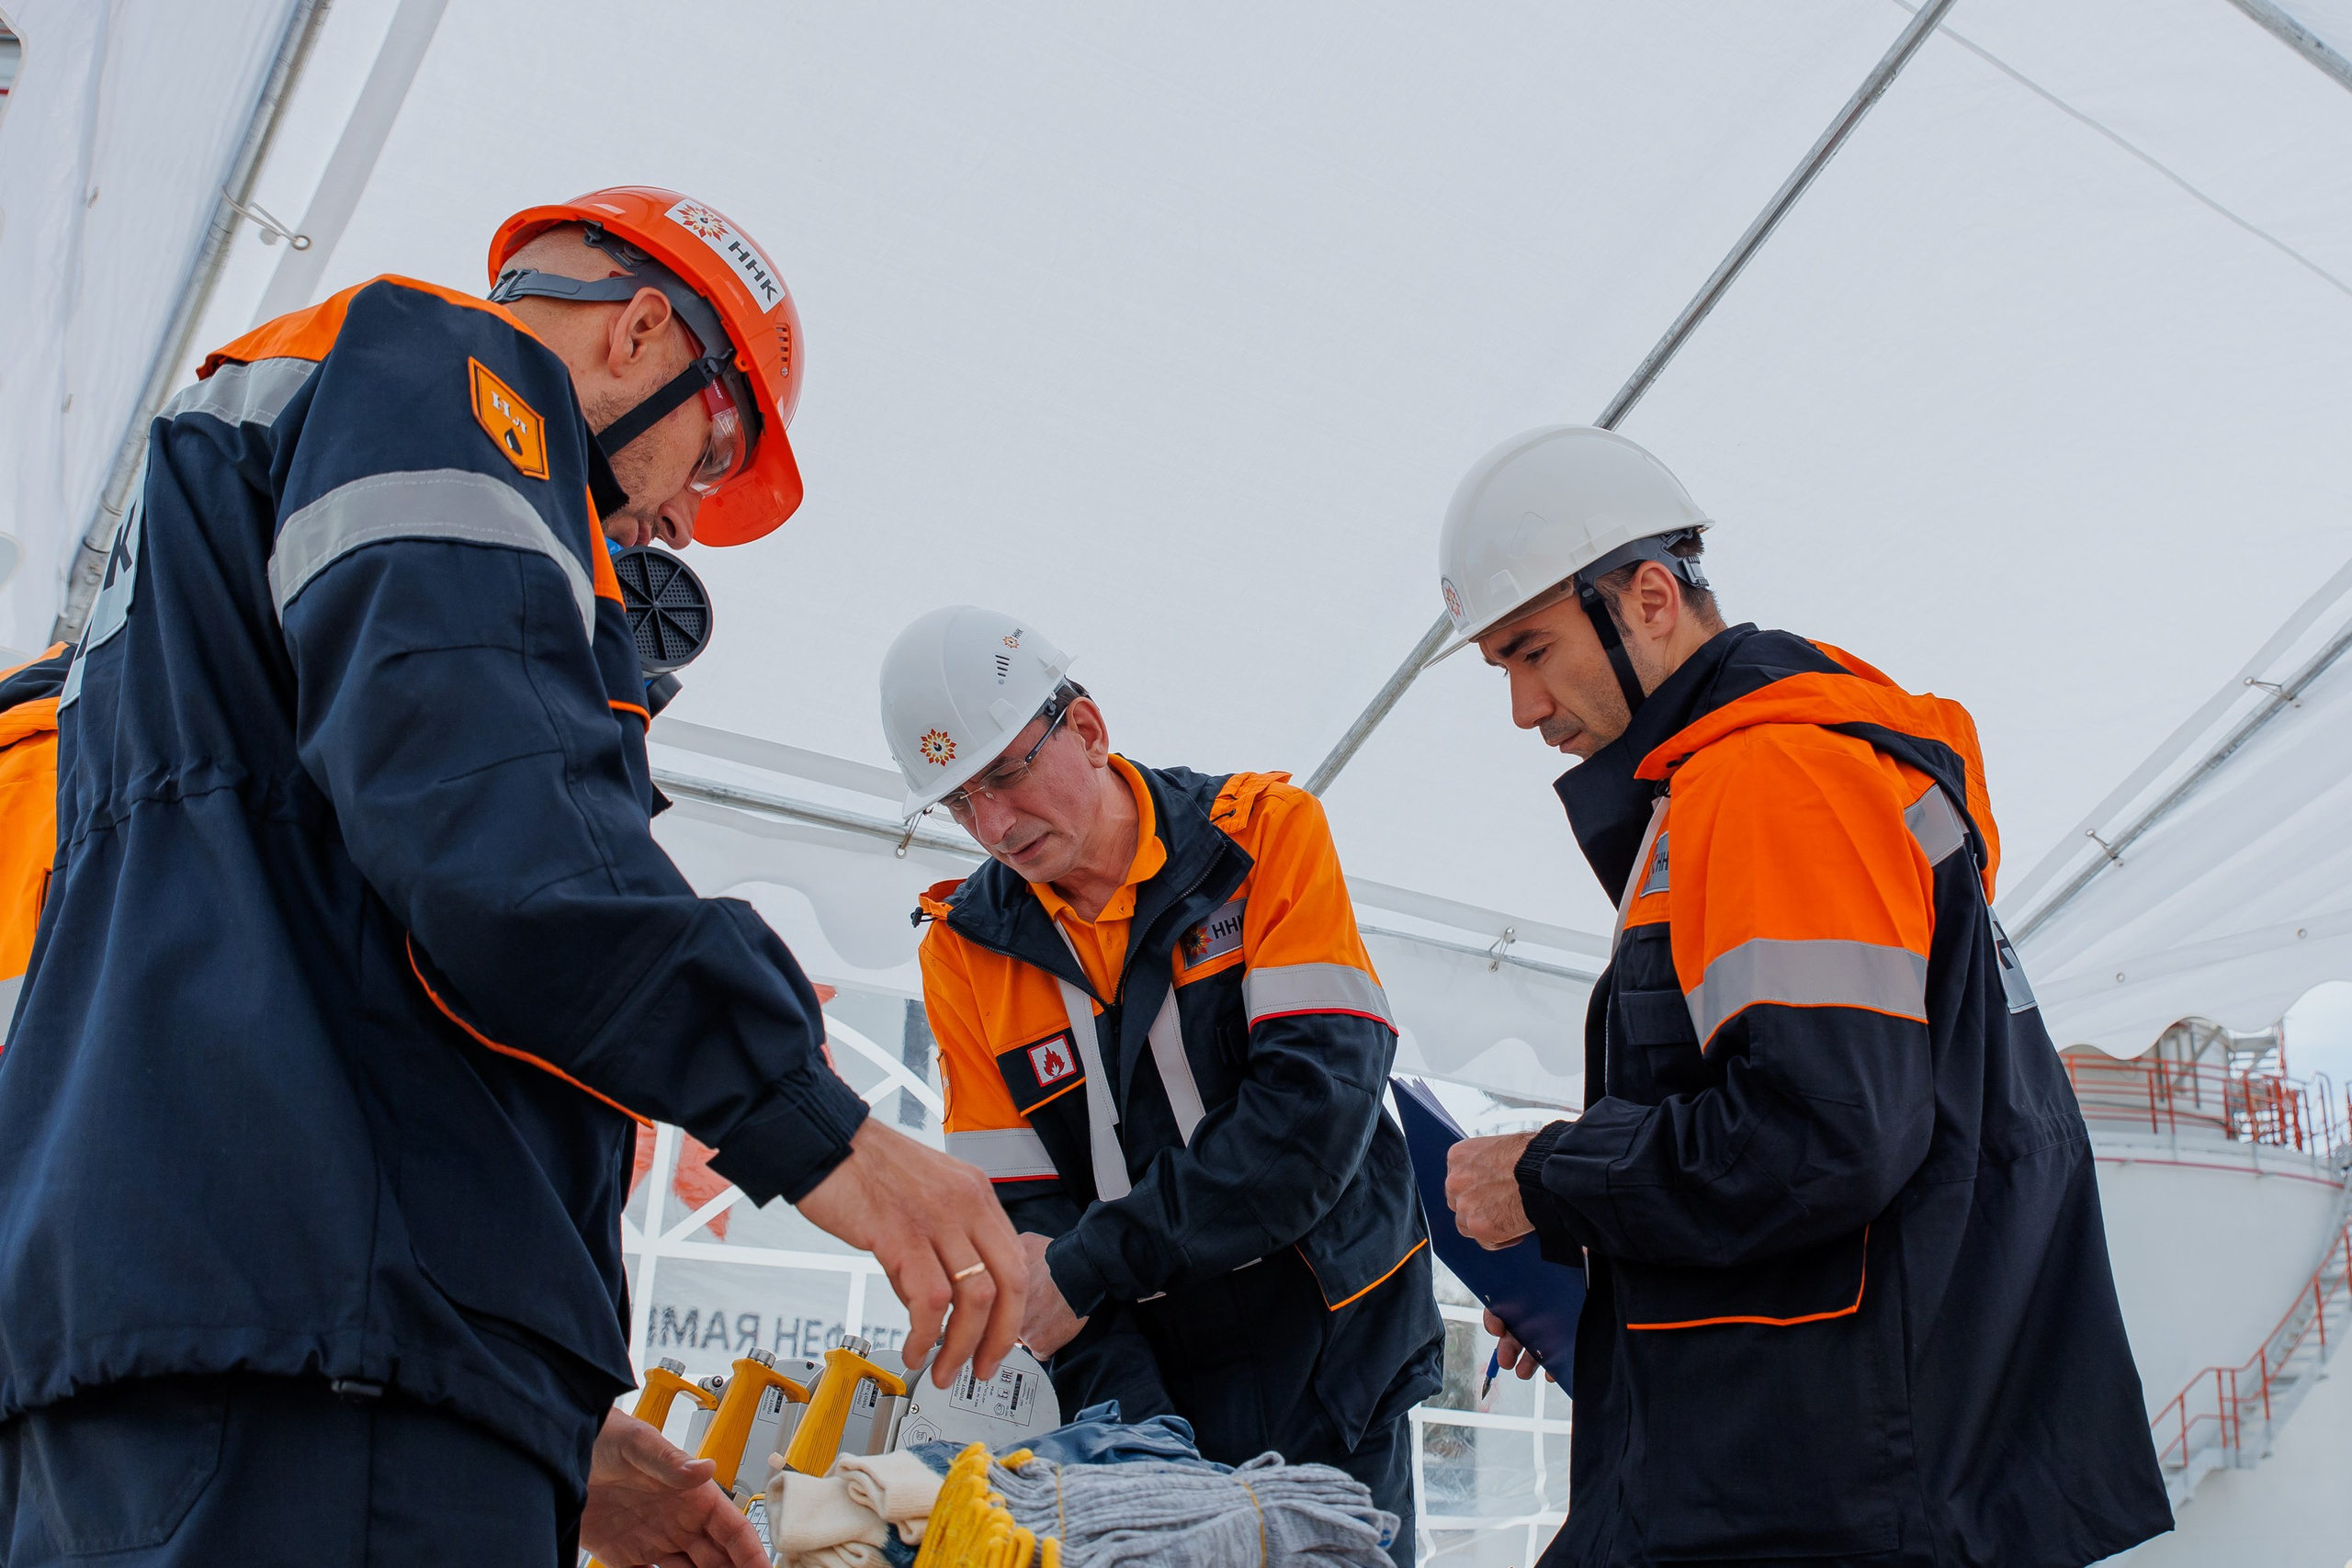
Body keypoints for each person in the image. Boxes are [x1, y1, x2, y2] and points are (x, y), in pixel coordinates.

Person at [0, 187, 1024, 1567]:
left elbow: (316, 944)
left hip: (172, 1349)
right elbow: (493, 825)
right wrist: (817, 1121)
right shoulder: (454, 376)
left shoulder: (221, 516)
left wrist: (551, 1414)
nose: (679, 518)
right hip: (327, 1378)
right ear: (647, 331)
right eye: (711, 455)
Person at [1436, 426, 2172, 1568]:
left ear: (1646, 598)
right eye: (1501, 668)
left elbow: (1824, 1134)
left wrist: (1548, 1179)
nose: (1524, 708)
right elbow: (1828, 1145)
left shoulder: (1771, 772)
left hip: (1819, 1491)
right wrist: (1593, 1262)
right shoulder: (1776, 769)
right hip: (1818, 1467)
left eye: (1531, 651)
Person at [885, 605, 1442, 1567]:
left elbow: (1310, 1123)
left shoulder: (1262, 836)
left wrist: (1093, 1266)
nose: (993, 826)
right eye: (958, 804)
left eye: (1007, 775)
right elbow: (1022, 1227)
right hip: (1136, 1359)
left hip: (1331, 1348)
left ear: (1088, 730)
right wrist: (1138, 1432)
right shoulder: (963, 949)